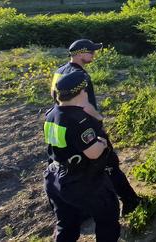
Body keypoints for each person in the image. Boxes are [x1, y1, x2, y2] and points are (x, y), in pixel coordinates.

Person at [51, 39, 140, 216]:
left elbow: (54, 96)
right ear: (80, 54)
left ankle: (84, 207)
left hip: (64, 124)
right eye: (91, 52)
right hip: (86, 128)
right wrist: (98, 122)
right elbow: (86, 105)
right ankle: (130, 201)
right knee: (109, 164)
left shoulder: (59, 71)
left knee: (82, 168)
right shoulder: (81, 78)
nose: (94, 54)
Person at [44, 70, 120, 241]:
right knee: (108, 216)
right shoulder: (79, 120)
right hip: (80, 180)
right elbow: (93, 153)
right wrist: (102, 143)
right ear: (81, 92)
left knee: (66, 225)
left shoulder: (51, 114)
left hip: (54, 176)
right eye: (85, 90)